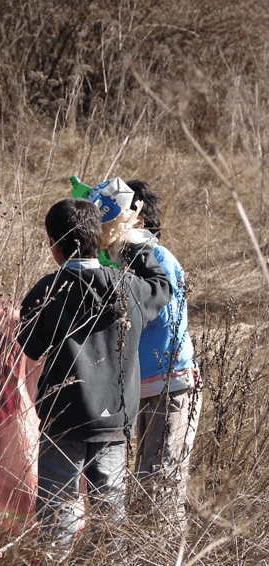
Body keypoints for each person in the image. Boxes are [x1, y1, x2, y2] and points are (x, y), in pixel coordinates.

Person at [17, 197, 171, 551]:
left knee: (58, 505)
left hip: (64, 416)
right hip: (115, 418)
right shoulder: (129, 287)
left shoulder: (49, 290)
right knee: (110, 508)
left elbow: (30, 345)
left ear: (54, 246)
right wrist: (132, 245)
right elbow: (161, 286)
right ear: (99, 240)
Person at [127, 180, 201, 524]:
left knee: (160, 484)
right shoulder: (125, 263)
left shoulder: (157, 258)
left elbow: (164, 315)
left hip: (170, 385)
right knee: (144, 479)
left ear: (139, 221)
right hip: (146, 386)